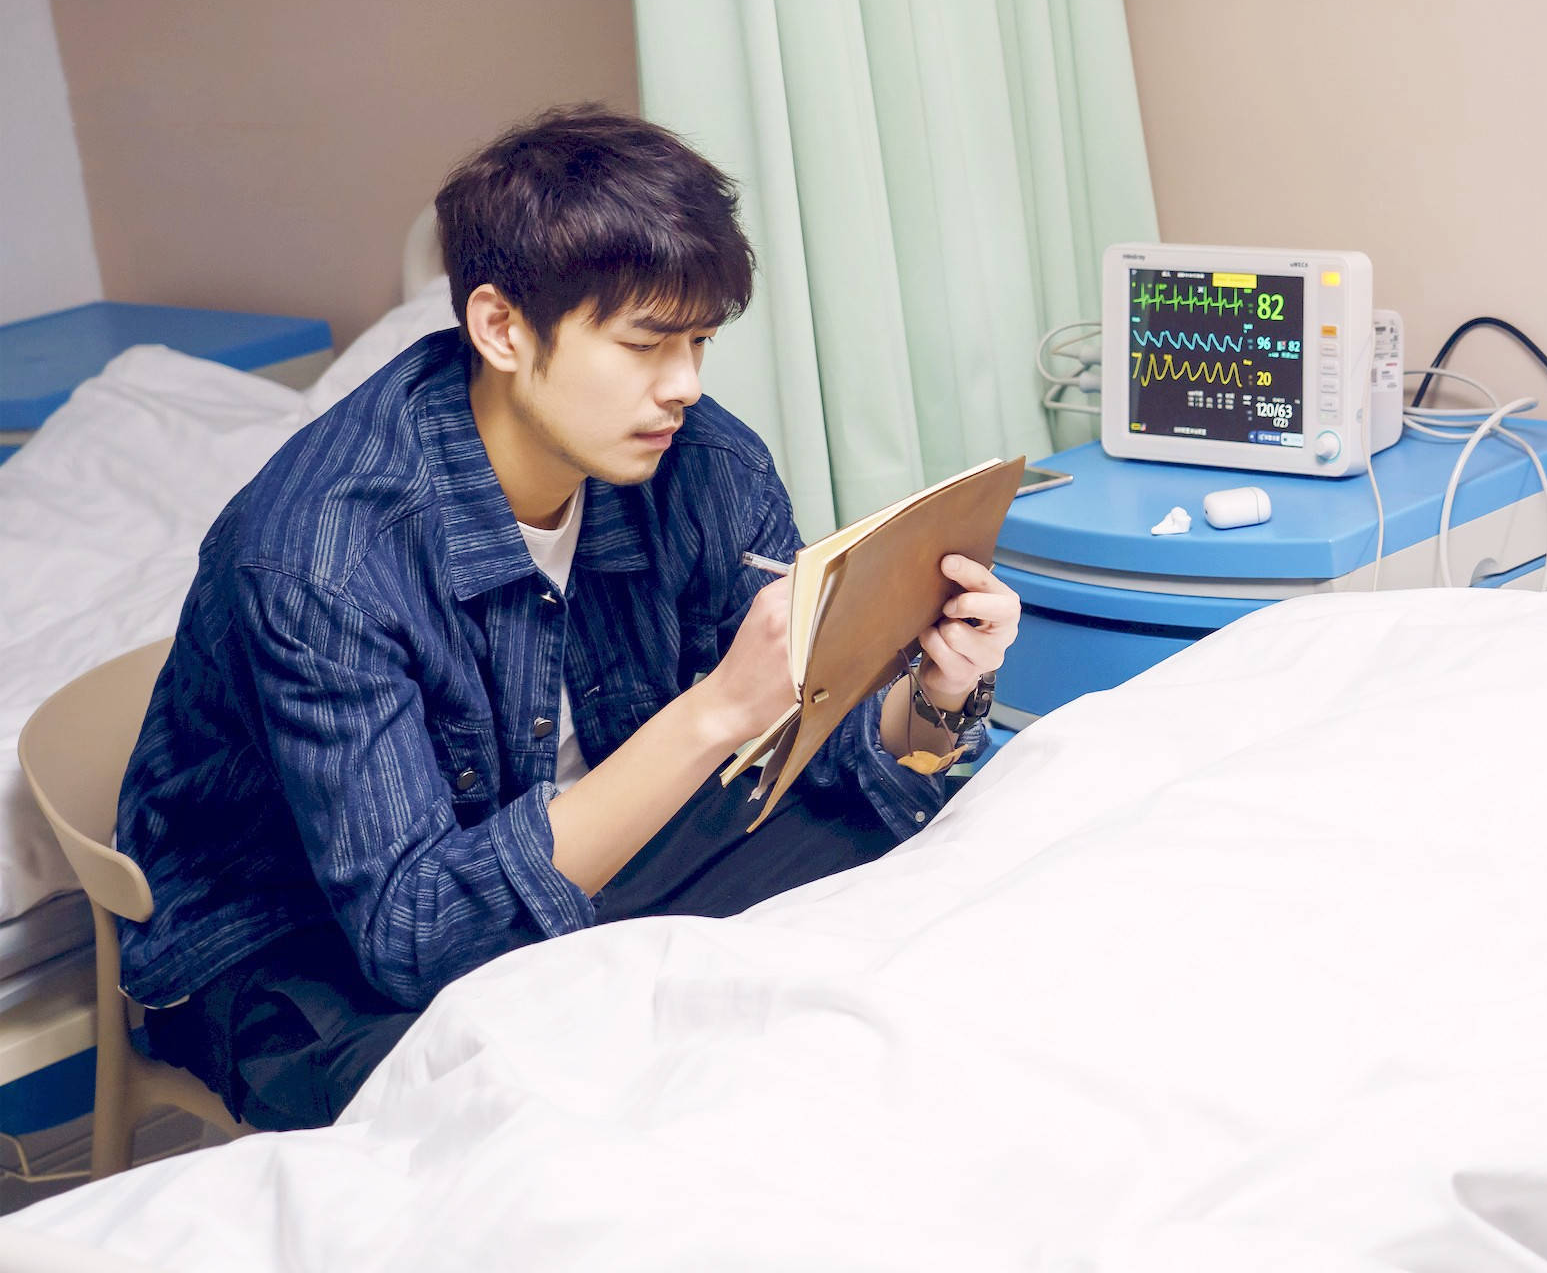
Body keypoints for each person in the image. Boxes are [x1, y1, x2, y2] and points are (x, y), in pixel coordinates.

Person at [116, 106, 1022, 1130]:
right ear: (501, 328)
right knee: (515, 1107)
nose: (684, 386)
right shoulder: (319, 558)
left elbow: (818, 750)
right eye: (645, 343)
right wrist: (715, 712)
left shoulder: (704, 465)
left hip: (584, 854)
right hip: (303, 942)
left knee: (910, 889)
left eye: (700, 341)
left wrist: (934, 692)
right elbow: (413, 933)